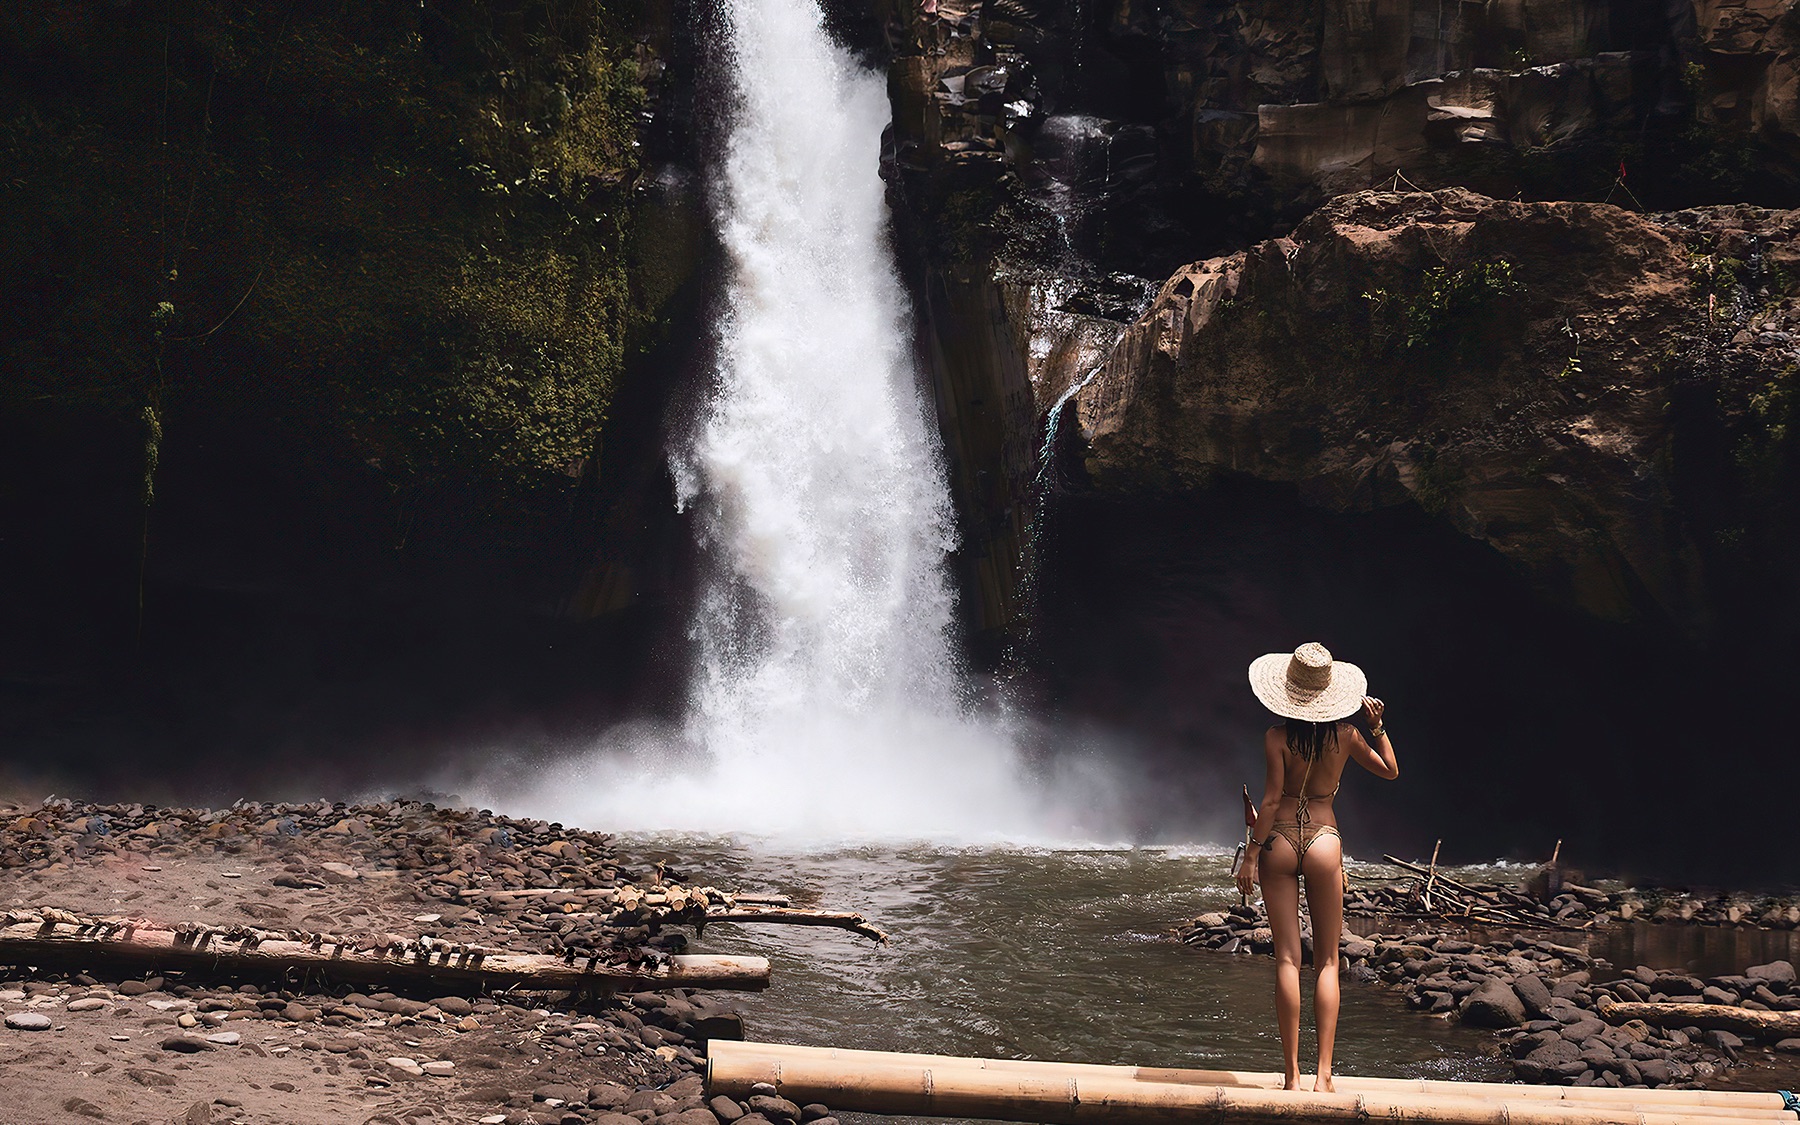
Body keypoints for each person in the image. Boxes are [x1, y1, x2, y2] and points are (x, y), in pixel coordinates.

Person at [1234, 641, 1398, 1092]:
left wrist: (1251, 855)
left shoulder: (1275, 737)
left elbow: (1269, 801)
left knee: (1287, 958)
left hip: (1280, 840)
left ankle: (1291, 1076)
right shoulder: (1346, 736)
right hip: (1325, 840)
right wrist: (1378, 726)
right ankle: (1324, 1077)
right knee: (1328, 960)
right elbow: (1390, 771)